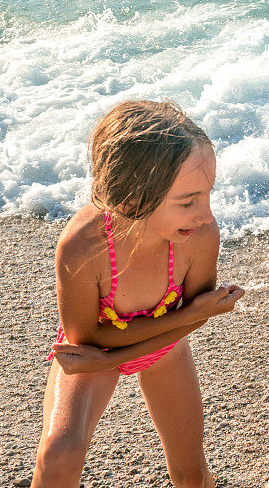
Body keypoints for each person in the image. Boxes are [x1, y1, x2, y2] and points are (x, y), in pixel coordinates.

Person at [32, 101, 245, 488]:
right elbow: (89, 340)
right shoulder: (83, 246)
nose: (206, 214)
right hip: (94, 350)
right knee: (58, 455)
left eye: (207, 195)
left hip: (160, 348)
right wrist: (184, 316)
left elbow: (193, 318)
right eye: (188, 201)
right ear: (131, 199)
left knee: (191, 471)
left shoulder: (199, 236)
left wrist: (180, 322)